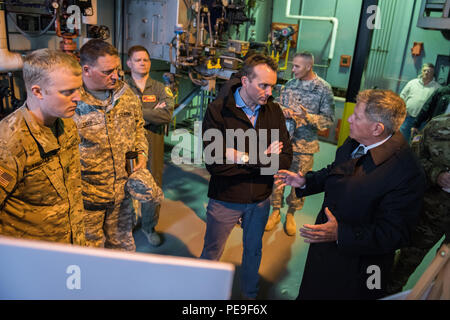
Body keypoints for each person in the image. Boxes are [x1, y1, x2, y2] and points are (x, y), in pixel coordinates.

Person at [275, 89, 426, 299]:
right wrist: (306, 181)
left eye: (357, 116)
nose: (349, 119)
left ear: (377, 128)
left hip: (359, 267)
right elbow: (336, 169)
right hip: (326, 247)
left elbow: (395, 234)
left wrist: (341, 233)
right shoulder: (357, 140)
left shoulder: (406, 173)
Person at [200, 54, 293, 299]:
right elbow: (215, 164)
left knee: (253, 251)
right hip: (225, 198)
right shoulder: (219, 111)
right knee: (212, 251)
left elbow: (284, 159)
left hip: (260, 200)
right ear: (245, 81)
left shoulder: (273, 110)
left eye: (273, 85)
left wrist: (238, 155)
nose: (269, 91)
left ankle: (250, 296)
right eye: (263, 85)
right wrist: (262, 157)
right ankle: (203, 295)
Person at [0, 49, 85, 245]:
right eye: (67, 92)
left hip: (71, 245)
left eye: (79, 89)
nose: (78, 98)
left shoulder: (66, 124)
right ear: (37, 91)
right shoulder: (9, 143)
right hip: (33, 259)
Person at [73, 39, 148, 251]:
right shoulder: (71, 102)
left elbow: (138, 127)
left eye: (116, 69)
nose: (115, 75)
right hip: (87, 205)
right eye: (107, 71)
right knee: (90, 262)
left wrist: (141, 151)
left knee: (123, 255)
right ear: (86, 70)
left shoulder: (126, 95)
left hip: (122, 199)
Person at [265, 51, 334, 236]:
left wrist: (308, 117)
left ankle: (291, 214)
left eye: (296, 66)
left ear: (308, 67)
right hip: (284, 140)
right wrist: (284, 110)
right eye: (292, 65)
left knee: (298, 180)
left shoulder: (323, 89)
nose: (292, 69)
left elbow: (328, 120)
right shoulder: (290, 84)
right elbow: (277, 104)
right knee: (277, 177)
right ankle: (276, 211)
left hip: (305, 146)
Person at [387, 113, 450, 295]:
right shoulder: (437, 126)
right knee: (403, 264)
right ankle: (386, 294)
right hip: (430, 211)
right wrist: (436, 174)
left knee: (445, 277)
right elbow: (413, 161)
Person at [125, 45, 174, 246]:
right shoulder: (121, 88)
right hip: (126, 144)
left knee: (152, 186)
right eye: (138, 60)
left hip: (153, 143)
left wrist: (135, 111)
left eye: (145, 59)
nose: (142, 63)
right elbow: (116, 115)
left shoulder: (161, 88)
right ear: (129, 63)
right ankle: (125, 226)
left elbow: (167, 114)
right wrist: (151, 111)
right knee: (123, 185)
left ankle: (148, 226)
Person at [399, 63, 440, 142]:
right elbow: (402, 96)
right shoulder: (412, 83)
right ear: (422, 71)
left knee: (417, 143)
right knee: (401, 140)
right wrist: (402, 109)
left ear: (433, 74)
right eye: (425, 70)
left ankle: (412, 154)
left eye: (429, 71)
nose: (426, 73)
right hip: (407, 118)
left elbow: (438, 106)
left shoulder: (437, 88)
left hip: (423, 122)